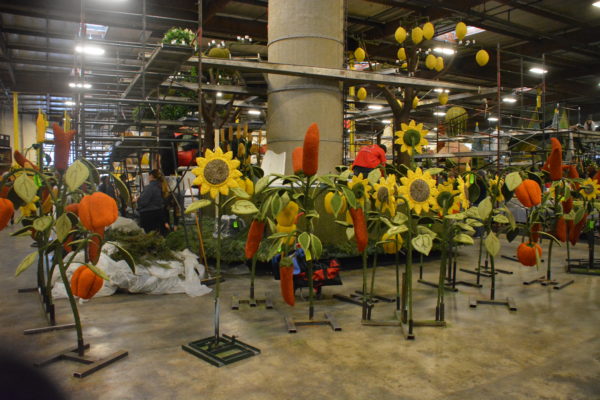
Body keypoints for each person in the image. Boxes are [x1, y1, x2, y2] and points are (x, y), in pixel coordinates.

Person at [136, 170, 166, 234]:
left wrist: (138, 199)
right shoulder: (161, 186)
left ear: (151, 176)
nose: (148, 177)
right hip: (159, 212)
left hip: (148, 215)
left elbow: (143, 202)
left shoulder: (150, 188)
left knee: (148, 235)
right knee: (156, 234)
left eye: (149, 176)